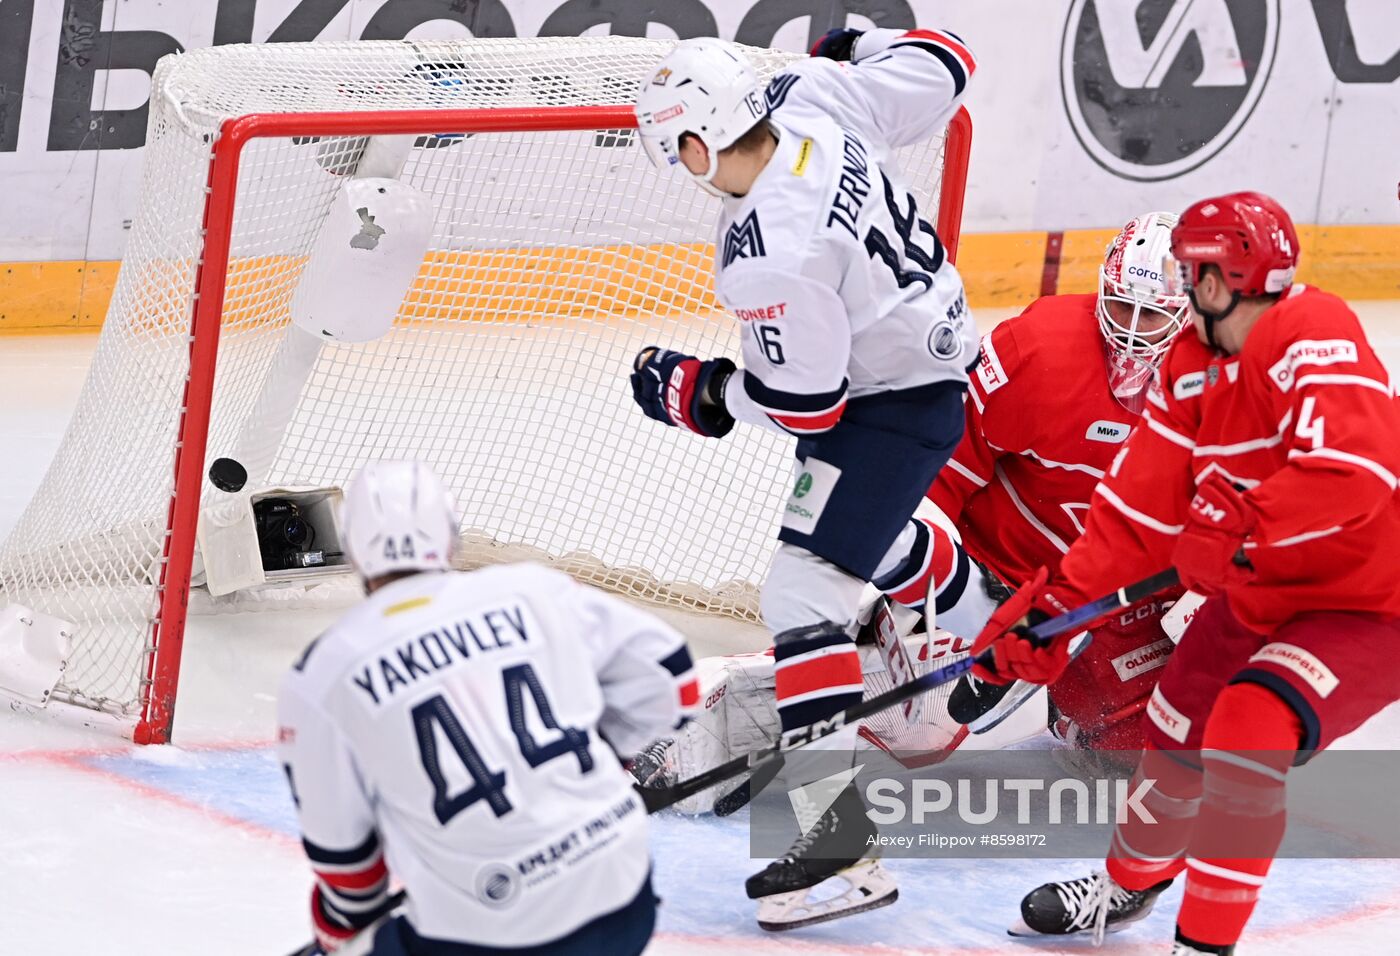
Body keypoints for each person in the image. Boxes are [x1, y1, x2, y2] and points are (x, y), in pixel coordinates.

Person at [970, 192, 1400, 954]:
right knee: (1174, 728)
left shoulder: (1314, 329)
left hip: (1367, 600)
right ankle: (1129, 886)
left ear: (1221, 278)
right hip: (1259, 591)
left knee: (1248, 728)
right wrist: (1056, 613)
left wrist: (1242, 523)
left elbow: (1354, 472)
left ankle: (1202, 944)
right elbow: (1135, 517)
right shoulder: (1190, 369)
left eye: (1187, 271)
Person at [630, 25, 977, 929]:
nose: (685, 170)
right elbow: (950, 60)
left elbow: (807, 406)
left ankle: (835, 841)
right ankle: (959, 590)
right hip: (923, 357)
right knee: (844, 538)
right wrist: (862, 43)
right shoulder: (813, 94)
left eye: (679, 153)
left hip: (891, 404)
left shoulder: (767, 247)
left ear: (703, 143)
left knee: (800, 594)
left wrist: (699, 394)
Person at [277, 460, 697, 955]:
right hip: (622, 902)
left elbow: (346, 866)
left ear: (351, 549)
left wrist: (339, 934)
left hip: (483, 936)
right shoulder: (534, 591)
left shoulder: (322, 672)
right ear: (450, 535)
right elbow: (674, 681)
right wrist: (605, 758)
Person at [869, 212, 1191, 762]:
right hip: (1002, 577)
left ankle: (1082, 706)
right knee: (915, 731)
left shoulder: (1228, 391)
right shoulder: (1038, 349)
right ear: (1102, 289)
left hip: (1115, 604)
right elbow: (938, 467)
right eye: (1120, 305)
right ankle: (818, 691)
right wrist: (916, 580)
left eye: (1153, 314)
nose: (1133, 329)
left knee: (1159, 745)